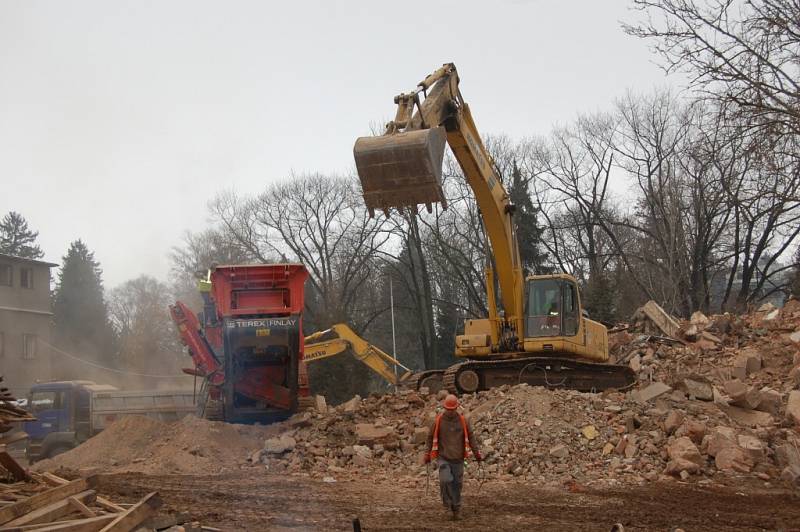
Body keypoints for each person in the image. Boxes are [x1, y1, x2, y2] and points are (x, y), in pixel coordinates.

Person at [423, 394, 482, 520]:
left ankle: (456, 509)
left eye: (452, 409)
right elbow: (429, 438)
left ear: (457, 408)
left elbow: (471, 438)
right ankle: (447, 505)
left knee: (457, 484)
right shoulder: (438, 421)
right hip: (443, 457)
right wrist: (427, 454)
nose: (450, 411)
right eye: (448, 409)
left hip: (459, 459)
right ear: (445, 408)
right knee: (445, 480)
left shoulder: (463, 421)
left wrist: (477, 454)